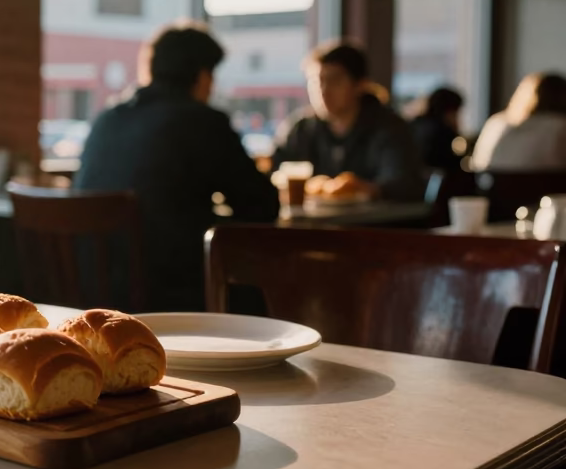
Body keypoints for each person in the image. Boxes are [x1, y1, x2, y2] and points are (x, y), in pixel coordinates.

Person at [75, 23, 280, 312]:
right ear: (202, 75)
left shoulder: (107, 118)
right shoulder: (202, 121)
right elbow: (263, 206)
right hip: (174, 299)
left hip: (94, 296)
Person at [272, 41, 425, 201]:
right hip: (310, 224)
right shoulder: (302, 128)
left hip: (372, 223)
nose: (323, 90)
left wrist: (362, 189)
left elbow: (403, 184)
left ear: (360, 84)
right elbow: (276, 171)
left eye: (334, 80)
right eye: (316, 81)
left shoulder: (389, 128)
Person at [471, 72, 566, 171]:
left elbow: (478, 165)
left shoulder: (496, 123)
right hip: (543, 185)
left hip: (497, 184)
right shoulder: (561, 127)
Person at [409, 87, 465, 173]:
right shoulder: (443, 133)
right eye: (456, 113)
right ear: (449, 111)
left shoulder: (415, 124)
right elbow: (453, 165)